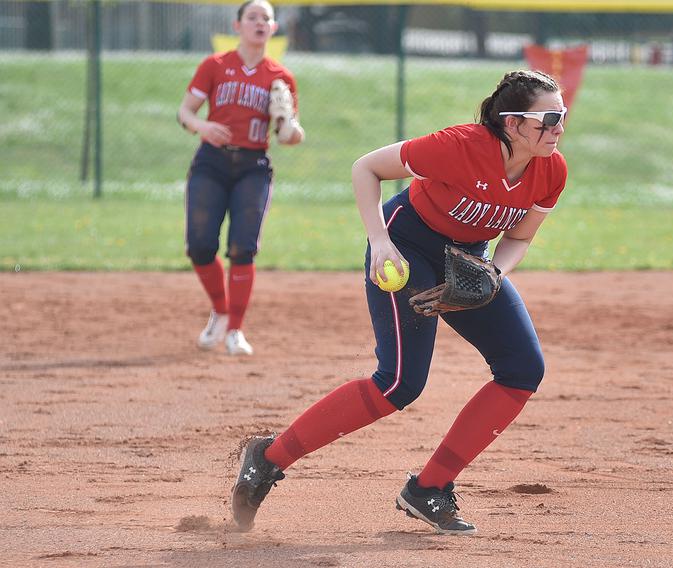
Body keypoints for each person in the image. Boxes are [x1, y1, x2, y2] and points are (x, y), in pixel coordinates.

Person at [231, 69, 568, 534]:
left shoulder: (552, 170)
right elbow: (366, 167)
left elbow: (519, 237)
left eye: (561, 116)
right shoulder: (461, 146)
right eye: (548, 117)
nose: (558, 127)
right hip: (406, 245)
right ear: (512, 123)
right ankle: (267, 459)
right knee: (399, 384)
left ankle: (429, 488)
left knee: (522, 370)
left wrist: (492, 275)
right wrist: (380, 242)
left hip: (465, 260)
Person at [177, 0, 304, 356]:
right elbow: (184, 112)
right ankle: (219, 310)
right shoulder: (214, 66)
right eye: (252, 17)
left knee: (242, 248)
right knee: (200, 246)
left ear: (274, 28)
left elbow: (288, 136)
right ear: (237, 26)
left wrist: (290, 126)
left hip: (253, 166)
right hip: (211, 162)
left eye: (266, 18)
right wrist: (203, 125)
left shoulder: (280, 77)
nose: (259, 23)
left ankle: (234, 329)